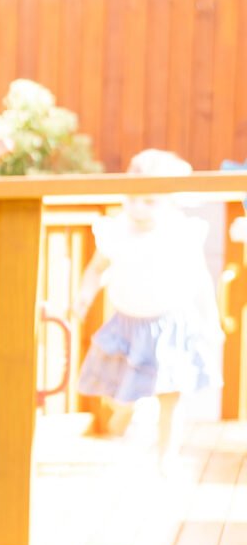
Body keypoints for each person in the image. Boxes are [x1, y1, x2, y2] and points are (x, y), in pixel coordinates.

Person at [74, 149, 223, 470]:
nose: (138, 208)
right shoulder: (117, 231)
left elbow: (200, 281)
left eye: (150, 201)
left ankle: (165, 457)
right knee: (120, 393)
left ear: (170, 201)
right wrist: (85, 295)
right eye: (132, 199)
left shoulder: (179, 233)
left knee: (171, 395)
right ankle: (123, 413)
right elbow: (96, 268)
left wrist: (211, 322)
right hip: (128, 326)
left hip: (170, 324)